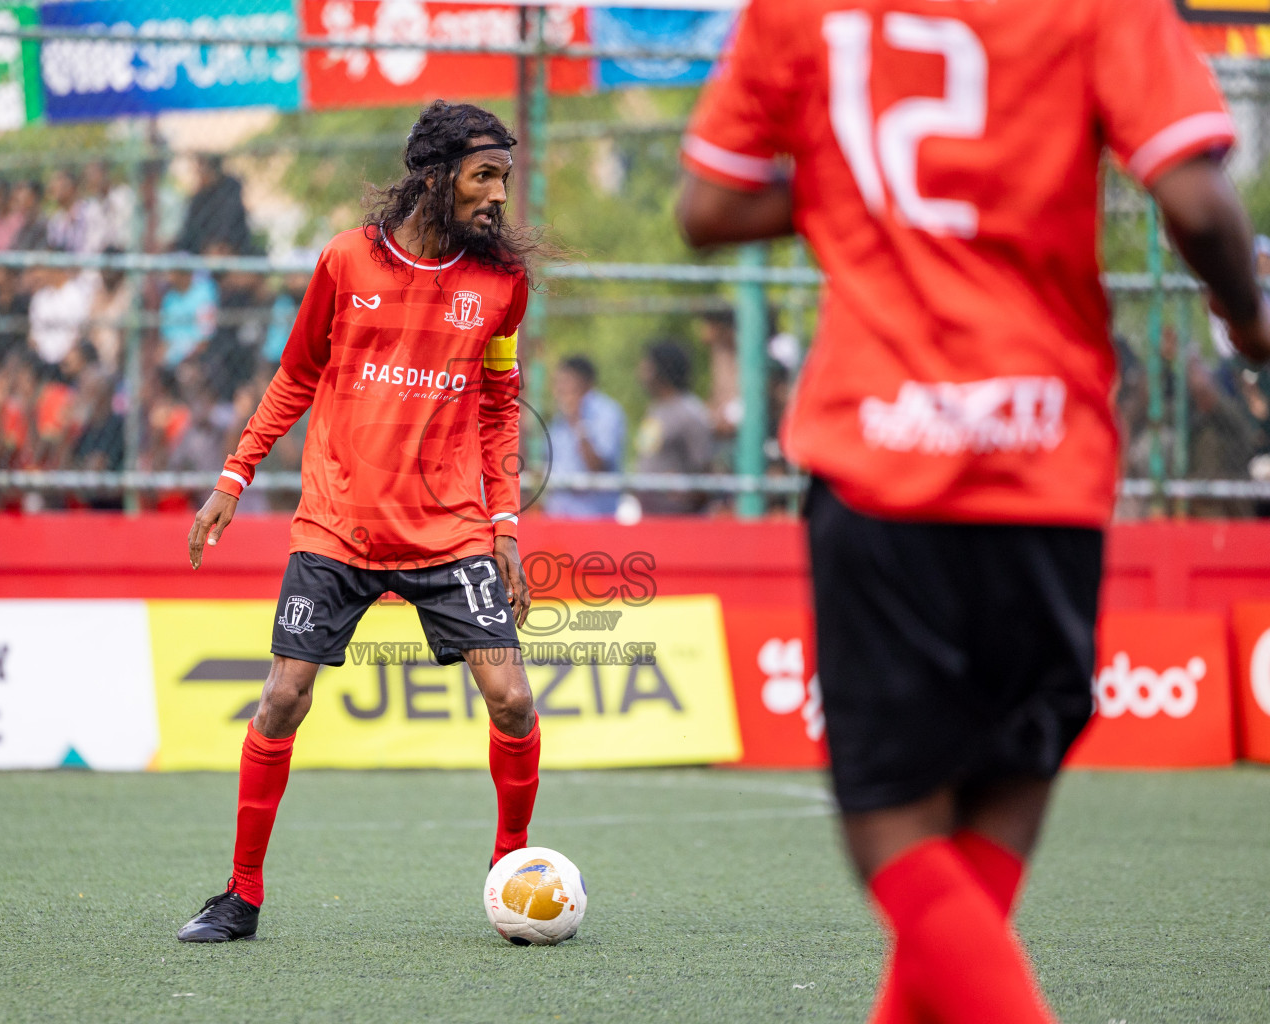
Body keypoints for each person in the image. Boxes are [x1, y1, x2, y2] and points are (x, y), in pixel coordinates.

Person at [675, 0, 1269, 1021]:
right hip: (1048, 460)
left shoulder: (800, 10)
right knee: (1003, 795)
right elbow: (1199, 204)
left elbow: (707, 209)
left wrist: (855, 195)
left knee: (893, 828)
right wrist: (1247, 321)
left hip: (878, 458)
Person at [177, 100, 546, 943]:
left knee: (514, 700)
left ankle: (509, 869)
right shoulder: (345, 262)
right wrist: (235, 475)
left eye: (504, 179)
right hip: (338, 527)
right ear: (433, 176)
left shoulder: (501, 286)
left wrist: (506, 530)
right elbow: (296, 374)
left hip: (449, 534)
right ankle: (240, 896)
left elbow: (499, 409)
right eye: (483, 177)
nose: (497, 196)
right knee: (281, 698)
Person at [633, 340, 712, 515]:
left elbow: (704, 468)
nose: (641, 372)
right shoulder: (656, 408)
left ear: (661, 369)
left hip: (679, 520)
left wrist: (687, 492)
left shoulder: (689, 412)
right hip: (650, 514)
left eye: (647, 366)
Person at [544, 354, 625, 518]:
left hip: (594, 518)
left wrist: (578, 421)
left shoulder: (607, 412)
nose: (559, 389)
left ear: (584, 383)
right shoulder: (559, 419)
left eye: (565, 382)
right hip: (558, 517)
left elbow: (597, 465)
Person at [174, 154, 251, 255]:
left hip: (228, 248)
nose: (197, 173)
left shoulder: (230, 191)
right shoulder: (198, 199)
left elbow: (231, 226)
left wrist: (221, 245)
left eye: (201, 167)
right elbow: (189, 233)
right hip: (200, 251)